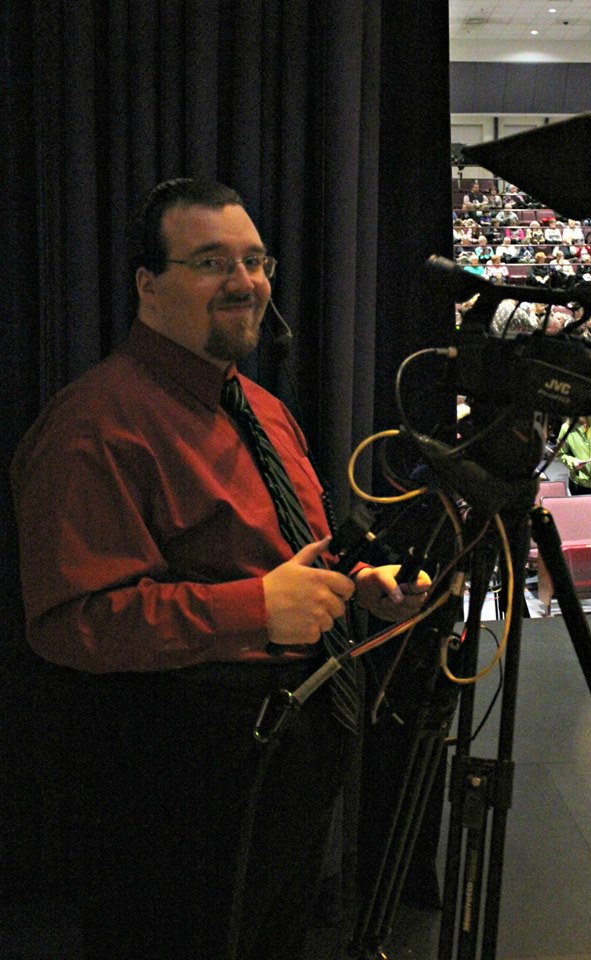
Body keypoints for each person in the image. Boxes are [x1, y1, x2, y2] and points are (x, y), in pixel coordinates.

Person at [10, 178, 430, 960]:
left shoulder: (262, 408)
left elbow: (289, 557)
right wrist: (257, 609)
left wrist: (360, 587)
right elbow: (70, 624)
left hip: (286, 768)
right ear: (148, 284)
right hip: (178, 786)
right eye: (210, 262)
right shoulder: (93, 427)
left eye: (255, 259)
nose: (245, 283)